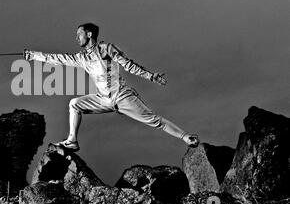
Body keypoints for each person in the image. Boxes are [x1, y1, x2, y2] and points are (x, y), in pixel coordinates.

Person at [24, 23, 200, 151]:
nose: (76, 37)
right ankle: (72, 141)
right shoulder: (82, 58)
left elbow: (128, 64)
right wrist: (34, 56)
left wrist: (151, 76)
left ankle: (186, 137)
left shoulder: (106, 49)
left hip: (122, 96)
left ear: (90, 34)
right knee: (74, 103)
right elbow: (59, 59)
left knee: (154, 120)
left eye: (79, 34)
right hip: (103, 99)